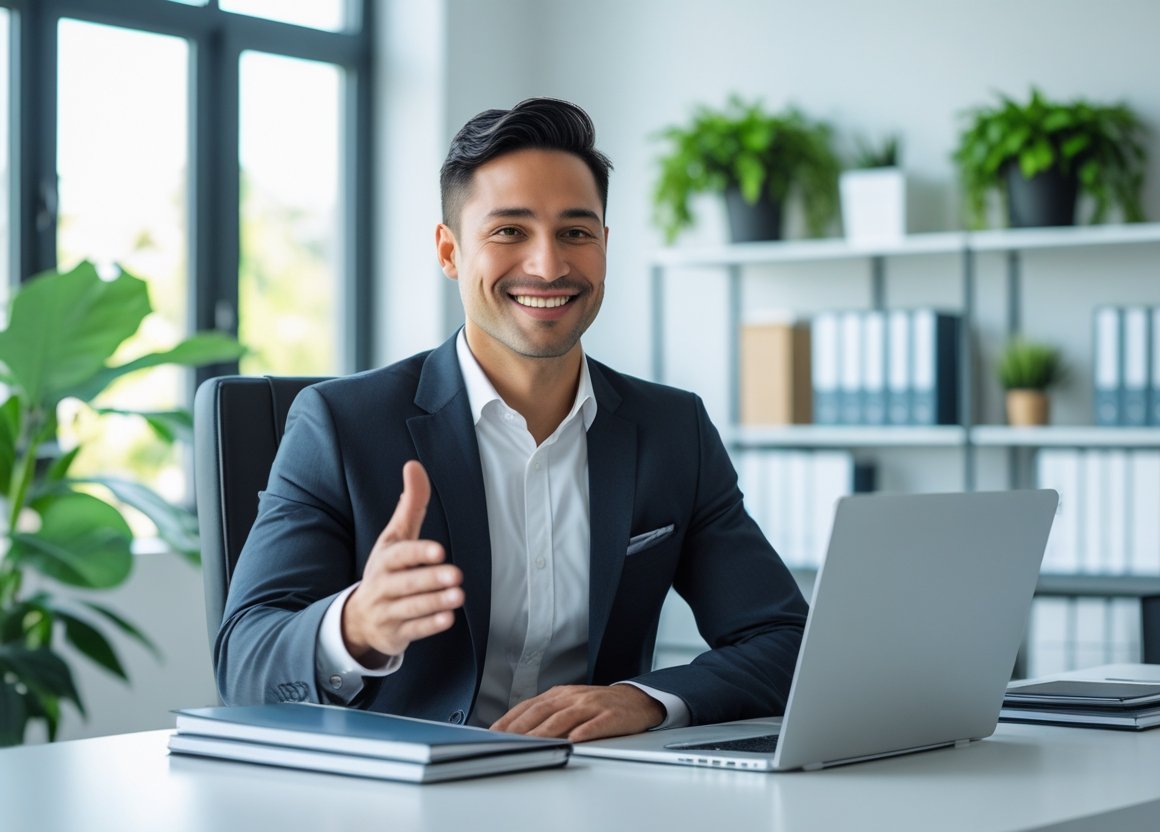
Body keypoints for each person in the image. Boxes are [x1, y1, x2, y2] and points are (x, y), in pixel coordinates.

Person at [216, 97, 808, 742]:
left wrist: (645, 699)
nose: (549, 265)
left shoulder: (673, 429)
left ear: (604, 247)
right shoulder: (339, 425)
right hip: (400, 800)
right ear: (449, 251)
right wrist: (356, 625)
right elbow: (244, 665)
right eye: (509, 232)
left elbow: (783, 640)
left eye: (576, 233)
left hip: (597, 789)